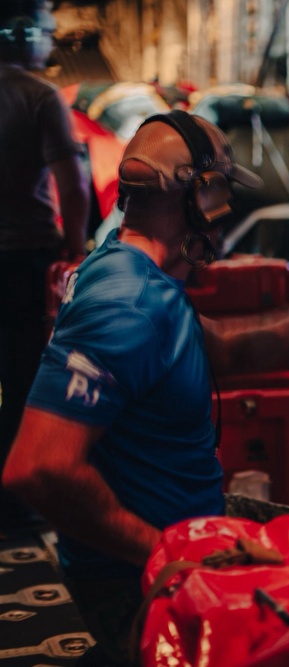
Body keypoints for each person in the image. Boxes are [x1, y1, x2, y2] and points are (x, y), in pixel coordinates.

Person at [2, 110, 289, 666]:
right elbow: (37, 467)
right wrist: (169, 555)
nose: (222, 214)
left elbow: (230, 352)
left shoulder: (140, 276)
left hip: (187, 527)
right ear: (202, 193)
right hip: (142, 581)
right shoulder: (129, 304)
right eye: (220, 193)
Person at [0, 0, 90, 536]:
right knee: (21, 377)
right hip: (22, 259)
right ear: (20, 32)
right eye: (47, 32)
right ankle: (14, 506)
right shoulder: (39, 97)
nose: (51, 44)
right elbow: (74, 187)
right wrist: (74, 253)